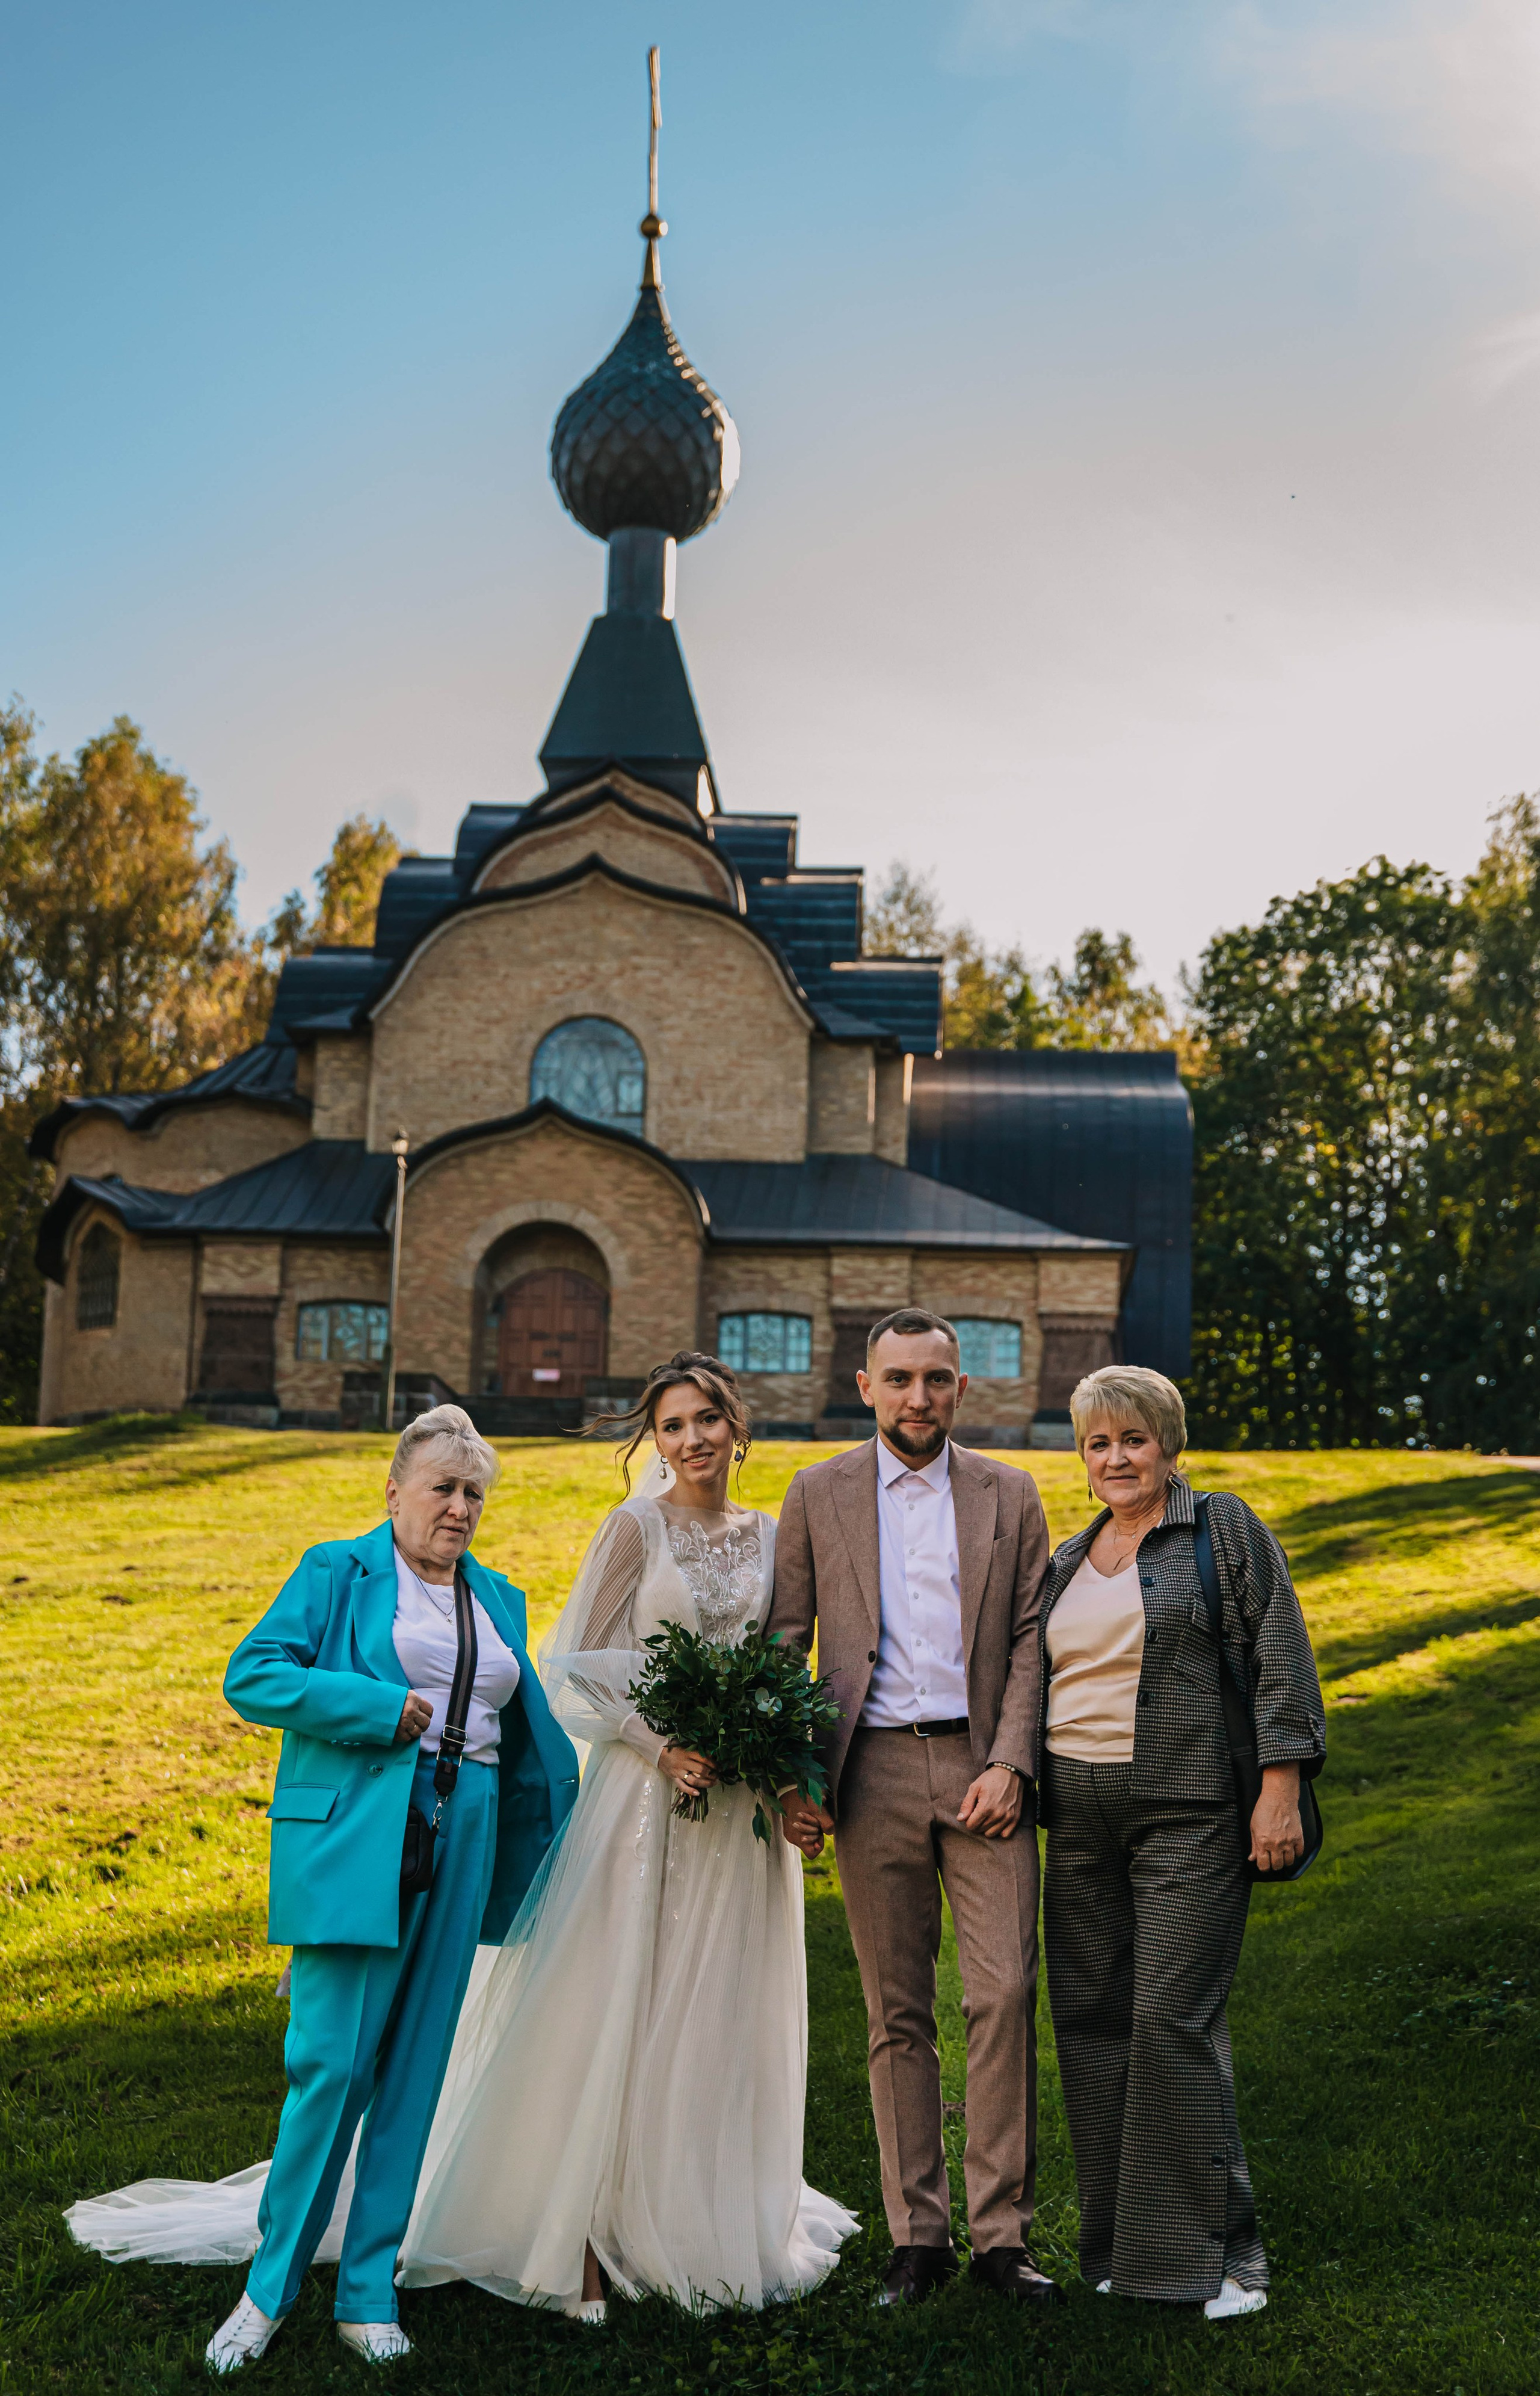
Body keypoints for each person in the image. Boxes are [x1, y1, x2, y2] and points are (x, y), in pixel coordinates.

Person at [64, 1404, 580, 2371]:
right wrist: (379, 1705)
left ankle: (367, 2287)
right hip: (363, 1831)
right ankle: (267, 2288)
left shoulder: (498, 1594)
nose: (460, 1508)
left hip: (463, 1831)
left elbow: (518, 1716)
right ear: (394, 1491)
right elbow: (252, 1674)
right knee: (332, 2066)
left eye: (474, 1492)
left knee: (417, 2070)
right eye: (442, 1487)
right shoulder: (335, 1571)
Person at [396, 1351, 856, 2317]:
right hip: (644, 1804)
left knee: (719, 2005)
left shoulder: (773, 1535)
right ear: (654, 1439)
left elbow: (781, 1669)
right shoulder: (633, 1526)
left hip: (740, 1818)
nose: (691, 1440)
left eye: (706, 1420)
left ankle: (697, 2210)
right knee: (622, 2001)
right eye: (671, 1425)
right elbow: (574, 1667)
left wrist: (778, 1772)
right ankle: (583, 2232)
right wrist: (660, 1747)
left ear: (736, 1426)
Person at [768, 1308, 1061, 2309]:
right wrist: (795, 1779)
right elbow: (784, 1641)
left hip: (983, 1769)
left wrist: (1014, 1761)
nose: (918, 1397)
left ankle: (1003, 2235)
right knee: (896, 2011)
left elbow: (1032, 1640)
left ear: (962, 1389)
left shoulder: (1010, 1492)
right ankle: (917, 2235)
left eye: (937, 1378)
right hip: (871, 1772)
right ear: (866, 1386)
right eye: (899, 1378)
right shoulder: (818, 1492)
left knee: (1005, 1991)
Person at [1038, 1365, 1325, 2320]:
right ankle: (1125, 2248)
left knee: (1173, 2020)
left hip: (1190, 1811)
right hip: (1077, 1819)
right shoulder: (1068, 1560)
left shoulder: (1222, 1528)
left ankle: (1230, 2257)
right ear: (1082, 1459)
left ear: (1168, 1442)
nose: (1116, 1457)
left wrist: (1278, 1787)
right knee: (1091, 2025)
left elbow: (1279, 1650)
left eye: (1134, 1438)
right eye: (1098, 1443)